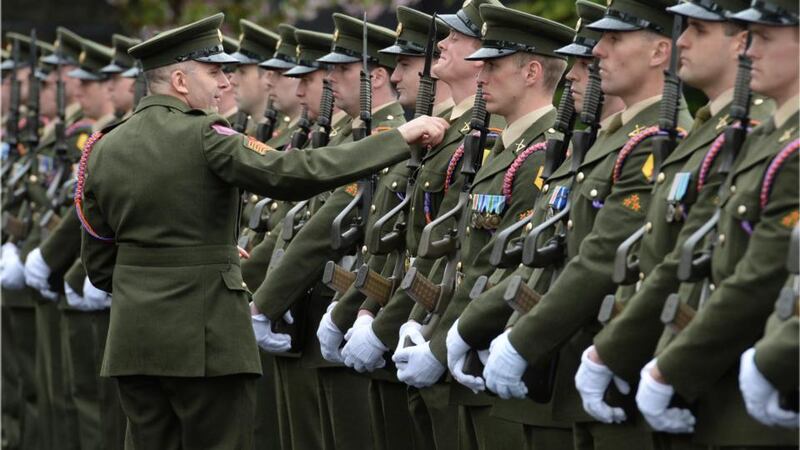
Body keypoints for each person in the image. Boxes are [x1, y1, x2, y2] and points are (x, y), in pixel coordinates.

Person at [77, 13, 448, 449]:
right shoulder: (206, 136)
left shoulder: (102, 147)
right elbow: (295, 172)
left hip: (135, 340)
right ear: (180, 80)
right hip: (207, 340)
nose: (223, 84)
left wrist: (149, 280)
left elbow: (100, 263)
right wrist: (397, 138)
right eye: (213, 72)